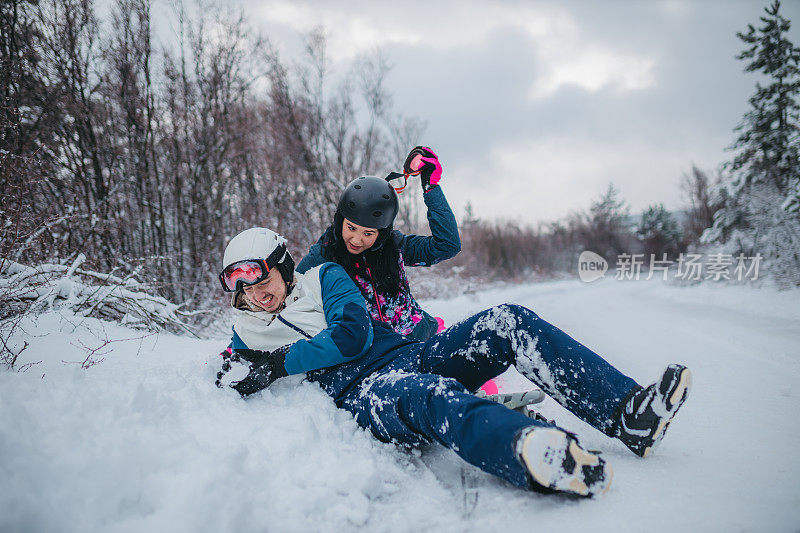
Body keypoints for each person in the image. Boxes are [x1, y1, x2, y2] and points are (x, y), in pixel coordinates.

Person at [215, 227, 693, 497]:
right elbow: (224, 376)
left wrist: (279, 363)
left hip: (411, 353)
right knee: (429, 397)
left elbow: (352, 333)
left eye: (260, 279)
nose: (255, 294)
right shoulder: (246, 332)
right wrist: (232, 373)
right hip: (366, 395)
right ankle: (531, 451)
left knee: (506, 321)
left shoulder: (324, 277)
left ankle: (628, 414)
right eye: (242, 288)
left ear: (281, 264)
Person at [296, 146, 460, 342]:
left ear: (382, 233)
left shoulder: (395, 247)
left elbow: (447, 245)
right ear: (340, 220)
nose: (356, 240)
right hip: (379, 354)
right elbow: (291, 297)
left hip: (419, 336)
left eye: (368, 233)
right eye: (351, 228)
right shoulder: (323, 257)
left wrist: (430, 187)